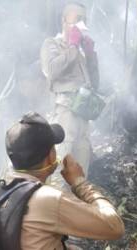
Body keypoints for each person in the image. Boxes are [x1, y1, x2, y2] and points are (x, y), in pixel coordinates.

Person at [5, 112, 124, 250]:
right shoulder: (47, 199)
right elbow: (115, 226)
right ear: (50, 156)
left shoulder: (2, 193)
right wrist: (79, 182)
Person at [40, 2, 100, 185]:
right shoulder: (52, 44)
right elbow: (51, 71)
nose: (82, 23)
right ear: (64, 20)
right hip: (66, 111)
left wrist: (90, 56)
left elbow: (95, 84)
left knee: (81, 173)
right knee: (61, 167)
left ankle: (78, 209)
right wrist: (73, 46)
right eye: (78, 18)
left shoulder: (80, 53)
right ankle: (58, 208)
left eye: (84, 19)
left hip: (83, 115)